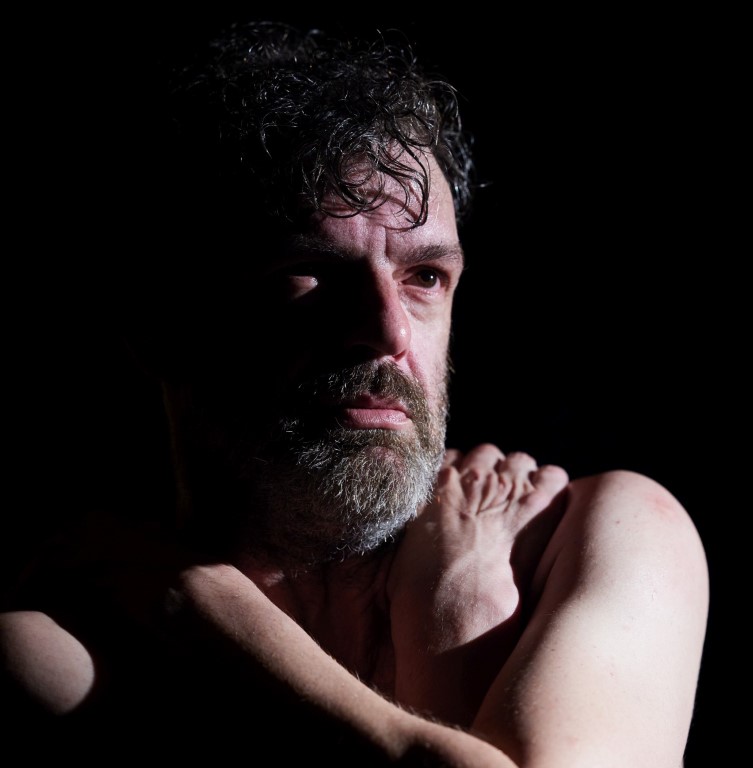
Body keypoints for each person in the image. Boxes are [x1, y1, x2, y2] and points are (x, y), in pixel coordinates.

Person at [0, 19, 709, 767]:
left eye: (424, 277)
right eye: (308, 272)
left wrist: (197, 605)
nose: (386, 331)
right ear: (159, 325)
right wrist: (447, 652)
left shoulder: (591, 535)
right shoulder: (59, 656)